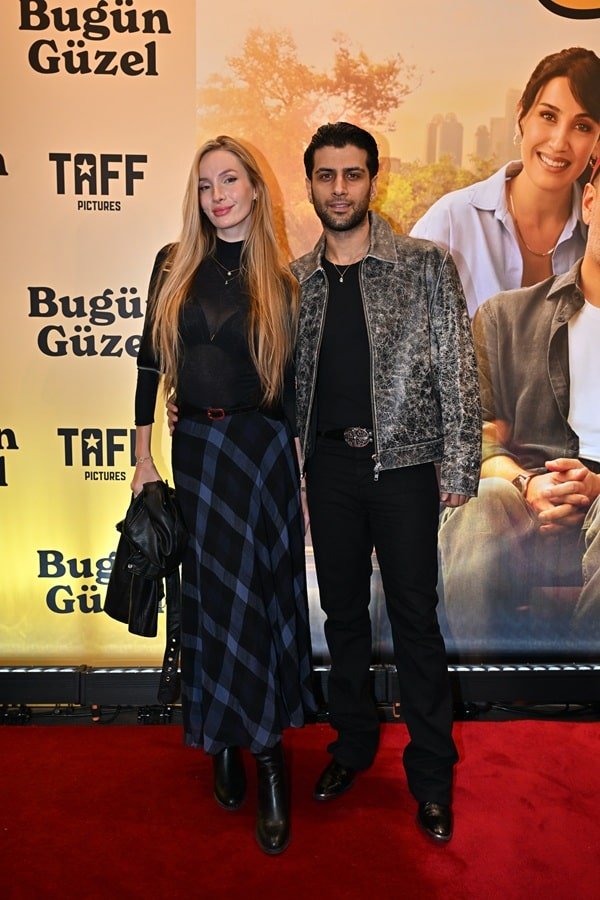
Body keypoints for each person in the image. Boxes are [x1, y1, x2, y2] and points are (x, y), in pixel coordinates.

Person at [293, 122, 481, 843]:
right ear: (311, 184)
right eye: (326, 175)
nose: (339, 189)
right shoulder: (296, 282)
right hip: (328, 471)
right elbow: (275, 377)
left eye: (352, 174)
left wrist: (459, 464)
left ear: (374, 178)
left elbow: (458, 367)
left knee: (415, 624)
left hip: (404, 469)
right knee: (342, 619)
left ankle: (431, 778)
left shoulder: (424, 265)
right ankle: (352, 748)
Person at [132, 136, 315, 856]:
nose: (218, 196)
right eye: (206, 185)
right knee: (212, 599)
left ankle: (267, 758)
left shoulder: (282, 282)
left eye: (229, 180)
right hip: (199, 455)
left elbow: (292, 395)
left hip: (261, 456)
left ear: (254, 189)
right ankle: (220, 738)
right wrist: (143, 456)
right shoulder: (172, 265)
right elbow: (150, 364)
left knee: (258, 602)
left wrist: (300, 481)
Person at [438, 157, 600, 654]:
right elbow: (476, 439)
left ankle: (578, 693)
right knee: (480, 503)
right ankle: (486, 691)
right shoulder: (503, 319)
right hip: (523, 493)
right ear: (590, 202)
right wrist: (527, 485)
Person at [410, 47, 600, 316]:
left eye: (582, 126)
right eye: (548, 116)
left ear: (597, 144)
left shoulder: (594, 238)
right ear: (521, 115)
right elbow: (400, 333)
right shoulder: (450, 223)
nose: (559, 142)